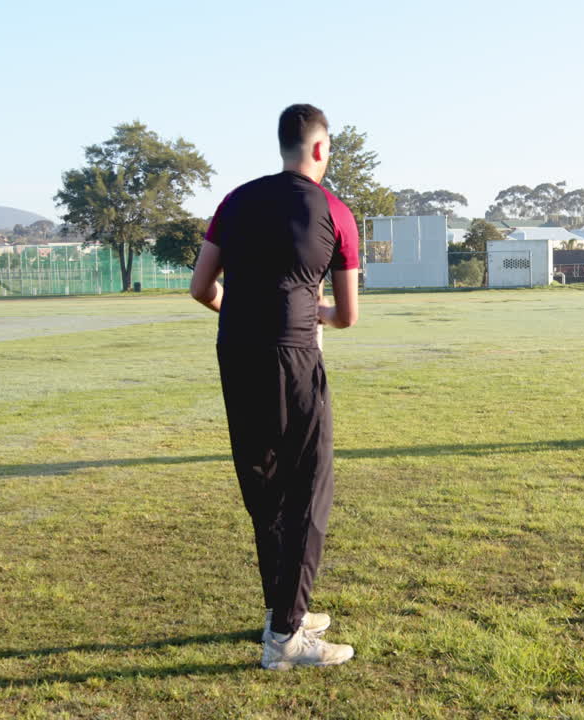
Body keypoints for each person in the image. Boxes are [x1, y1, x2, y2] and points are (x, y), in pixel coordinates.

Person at [190, 103, 359, 670]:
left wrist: (239, 311)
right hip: (294, 354)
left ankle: (284, 608)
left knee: (264, 485)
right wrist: (312, 314)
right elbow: (347, 316)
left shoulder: (235, 200)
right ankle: (286, 638)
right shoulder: (334, 209)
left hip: (235, 351)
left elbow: (201, 287)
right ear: (318, 149)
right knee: (309, 485)